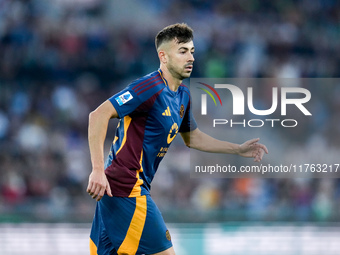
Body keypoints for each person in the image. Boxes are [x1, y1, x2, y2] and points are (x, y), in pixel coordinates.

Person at [87, 23, 268, 255]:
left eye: (192, 51)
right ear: (163, 56)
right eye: (182, 51)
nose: (190, 57)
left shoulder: (183, 95)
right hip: (127, 188)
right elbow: (98, 115)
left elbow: (193, 138)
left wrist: (237, 149)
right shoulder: (149, 87)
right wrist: (97, 169)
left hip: (118, 193)